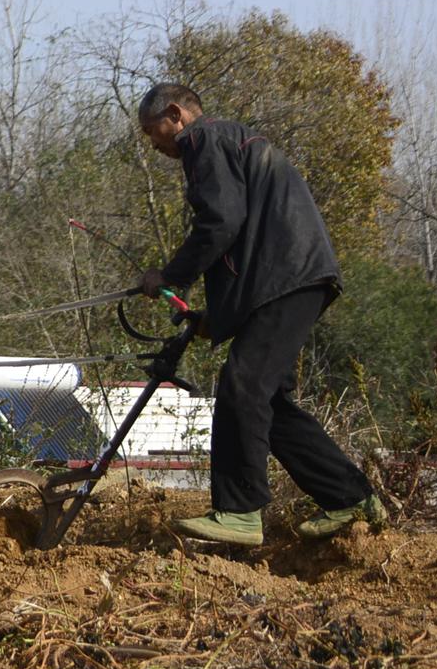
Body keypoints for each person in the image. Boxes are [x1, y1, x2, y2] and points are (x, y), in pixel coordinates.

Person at [134, 83, 387, 544]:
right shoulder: (232, 140)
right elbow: (246, 238)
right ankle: (351, 499)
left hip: (287, 278)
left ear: (175, 114)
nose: (154, 145)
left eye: (152, 132)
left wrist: (170, 276)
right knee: (268, 402)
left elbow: (221, 223)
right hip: (291, 278)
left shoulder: (203, 139)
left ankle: (238, 512)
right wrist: (217, 317)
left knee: (242, 386)